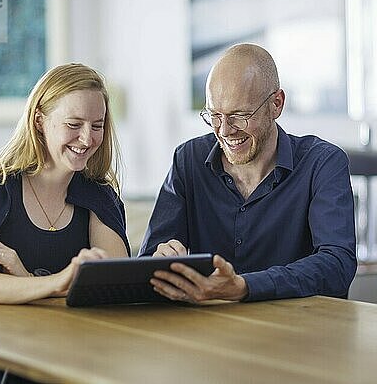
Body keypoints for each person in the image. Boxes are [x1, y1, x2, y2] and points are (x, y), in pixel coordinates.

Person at [0, 63, 130, 383]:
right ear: (40, 121)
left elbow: (114, 288)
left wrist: (25, 276)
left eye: (97, 125)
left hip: (74, 357)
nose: (87, 138)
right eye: (74, 124)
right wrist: (62, 281)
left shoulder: (99, 196)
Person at [139, 43, 356, 303]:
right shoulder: (188, 161)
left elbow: (337, 265)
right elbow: (149, 261)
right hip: (209, 330)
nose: (225, 130)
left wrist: (245, 286)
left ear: (276, 104)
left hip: (299, 332)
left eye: (239, 115)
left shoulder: (323, 163)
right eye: (214, 115)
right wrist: (159, 258)